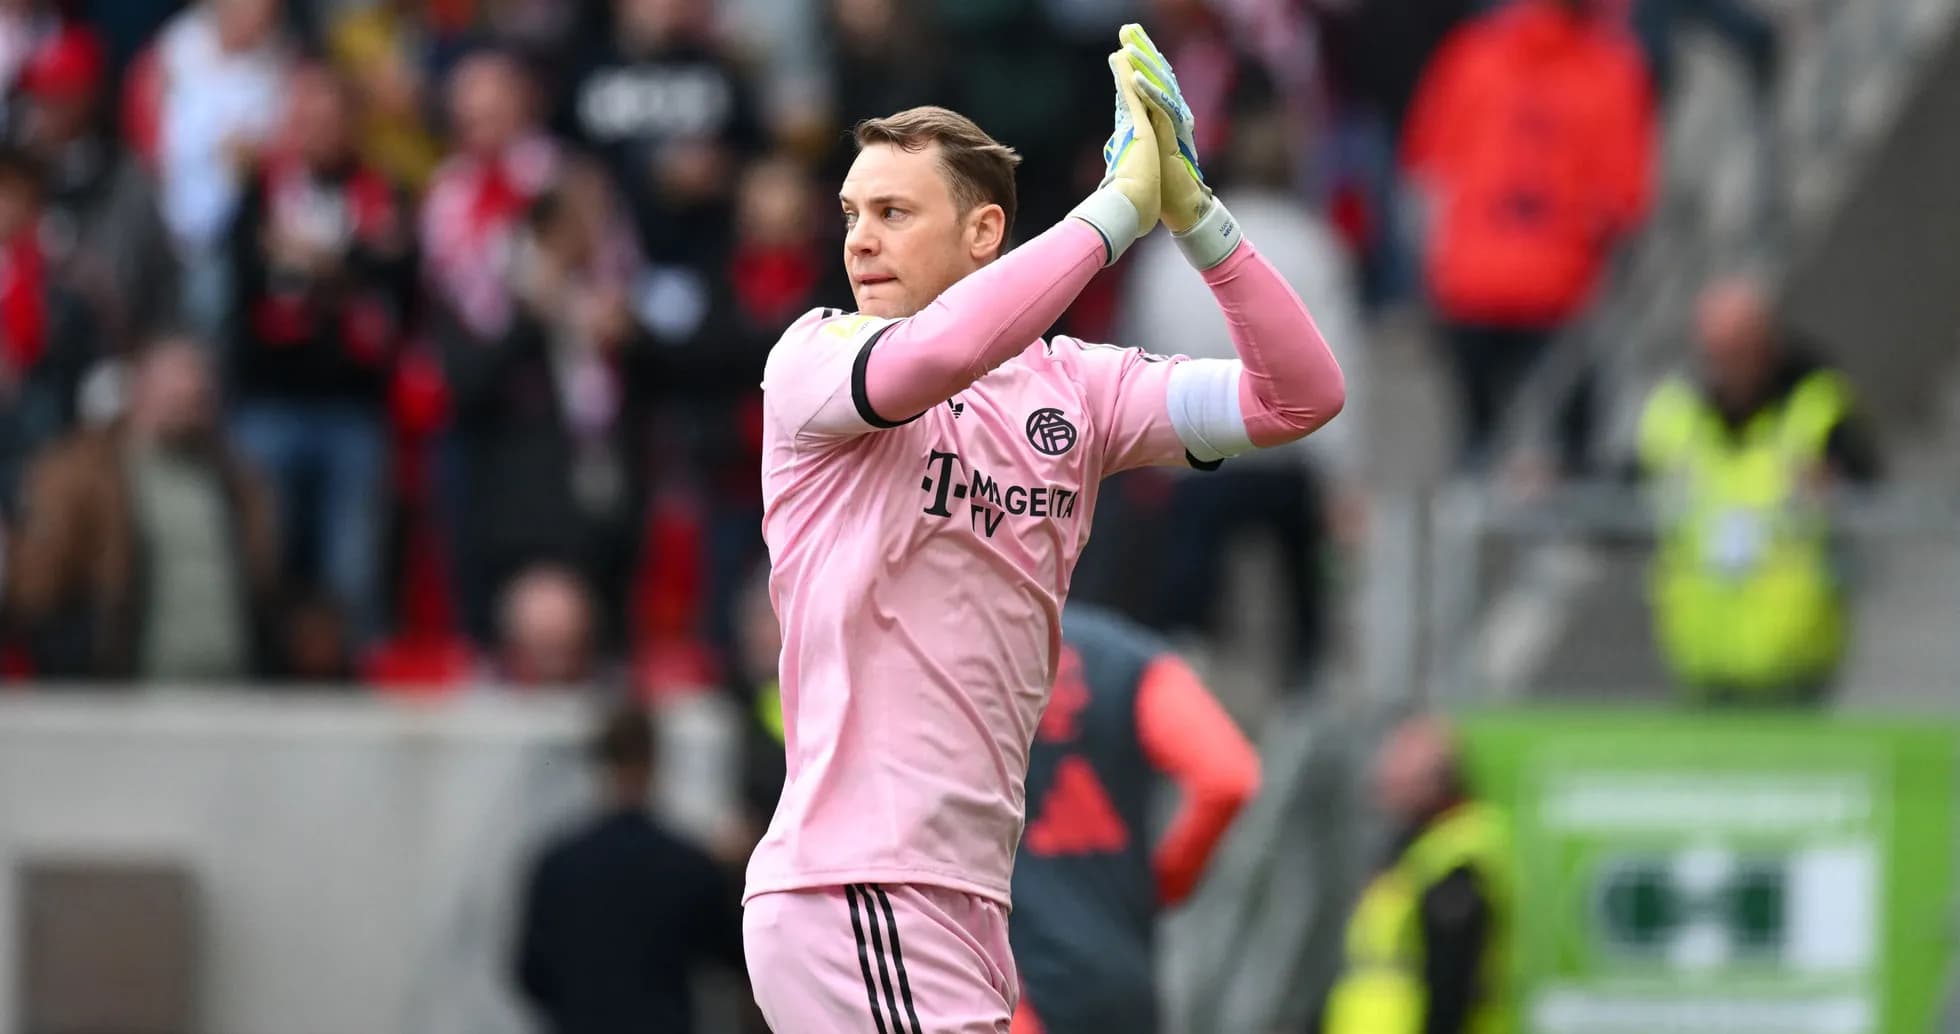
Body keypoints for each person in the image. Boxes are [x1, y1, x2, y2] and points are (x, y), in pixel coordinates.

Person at [741, 25, 1344, 1032]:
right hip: (857, 882)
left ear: (983, 233)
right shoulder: (815, 357)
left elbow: (1301, 396)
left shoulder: (1077, 387)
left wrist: (1192, 215)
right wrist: (1113, 210)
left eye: (892, 211)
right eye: (851, 213)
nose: (858, 239)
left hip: (965, 900)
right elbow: (931, 361)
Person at [1008, 603, 1260, 1034]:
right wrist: (1165, 882)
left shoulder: (967, 654)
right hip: (1123, 981)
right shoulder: (1130, 659)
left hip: (1015, 991)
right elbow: (1227, 777)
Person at [1633, 275, 1880, 705]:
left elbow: (1870, 483)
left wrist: (1832, 482)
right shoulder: (1674, 411)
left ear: (1766, 342)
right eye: (1715, 348)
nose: (1724, 362)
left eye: (1736, 347)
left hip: (1795, 652)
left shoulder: (1817, 403)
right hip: (1701, 648)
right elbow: (1613, 491)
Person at [514, 703, 747, 1034]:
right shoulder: (689, 864)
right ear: (654, 762)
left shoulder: (557, 863)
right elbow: (732, 956)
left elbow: (530, 974)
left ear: (600, 764)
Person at [1322, 715, 1512, 1034]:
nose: (1385, 779)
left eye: (1400, 772)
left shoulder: (1456, 859)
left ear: (1435, 780)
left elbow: (1451, 983)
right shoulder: (1415, 849)